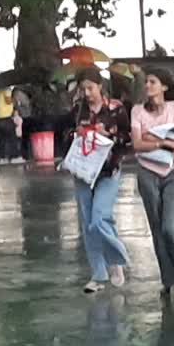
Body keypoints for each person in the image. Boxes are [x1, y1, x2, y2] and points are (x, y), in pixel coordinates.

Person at [130, 67, 174, 296]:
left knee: (170, 226)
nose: (148, 86)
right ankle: (168, 279)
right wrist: (162, 142)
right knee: (157, 227)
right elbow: (137, 144)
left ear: (164, 86)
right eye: (146, 82)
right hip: (147, 172)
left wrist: (151, 137)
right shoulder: (137, 111)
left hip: (173, 171)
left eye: (153, 82)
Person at [69, 66, 131, 293]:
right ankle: (98, 273)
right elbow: (66, 135)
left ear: (100, 86)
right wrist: (76, 134)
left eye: (90, 88)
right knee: (88, 224)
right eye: (83, 88)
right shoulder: (77, 109)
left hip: (108, 170)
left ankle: (117, 259)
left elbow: (128, 138)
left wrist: (110, 135)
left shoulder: (116, 109)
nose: (86, 93)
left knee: (100, 217)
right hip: (83, 172)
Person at [0, 86, 22, 164]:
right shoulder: (7, 89)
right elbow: (8, 101)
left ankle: (2, 158)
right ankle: (15, 157)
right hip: (6, 117)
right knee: (12, 138)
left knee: (1, 140)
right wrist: (15, 100)